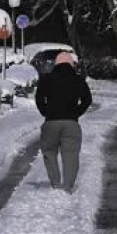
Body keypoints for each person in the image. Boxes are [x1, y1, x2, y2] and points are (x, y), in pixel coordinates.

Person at [34, 52, 92, 193]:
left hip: (51, 122)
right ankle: (68, 186)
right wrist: (76, 113)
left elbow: (39, 98)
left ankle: (55, 183)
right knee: (71, 154)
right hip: (71, 123)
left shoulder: (47, 79)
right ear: (71, 64)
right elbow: (87, 99)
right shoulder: (78, 80)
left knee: (49, 152)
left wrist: (45, 112)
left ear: (56, 64)